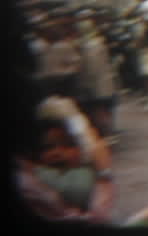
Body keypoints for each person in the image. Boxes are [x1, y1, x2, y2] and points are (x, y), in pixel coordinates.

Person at [14, 96, 114, 224]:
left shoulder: (85, 173)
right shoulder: (35, 177)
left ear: (81, 151)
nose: (57, 153)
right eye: (48, 147)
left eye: (68, 145)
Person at [74, 14, 118, 144]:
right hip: (105, 81)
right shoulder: (98, 42)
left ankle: (105, 134)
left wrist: (85, 82)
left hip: (96, 84)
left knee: (98, 110)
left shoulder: (89, 46)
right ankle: (108, 133)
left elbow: (91, 68)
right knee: (104, 109)